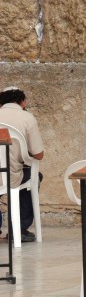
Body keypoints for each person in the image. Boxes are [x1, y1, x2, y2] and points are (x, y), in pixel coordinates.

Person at [0, 87, 44, 243]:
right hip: (12, 176)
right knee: (33, 177)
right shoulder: (27, 118)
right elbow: (39, 154)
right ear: (23, 102)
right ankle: (19, 228)